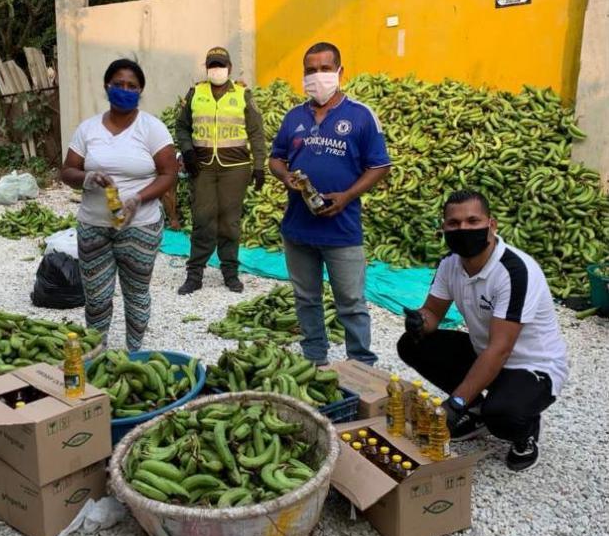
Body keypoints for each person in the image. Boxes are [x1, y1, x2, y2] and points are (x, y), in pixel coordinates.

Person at [398, 190, 567, 472]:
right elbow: (433, 313)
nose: (463, 229)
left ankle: (525, 431)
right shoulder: (450, 264)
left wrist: (455, 404)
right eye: (454, 223)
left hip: (532, 366)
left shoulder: (514, 271)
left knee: (502, 415)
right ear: (444, 228)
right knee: (412, 343)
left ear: (492, 224)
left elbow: (500, 349)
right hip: (486, 353)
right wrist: (419, 321)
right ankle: (476, 412)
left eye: (472, 221)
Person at [268, 42, 391, 366]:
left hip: (342, 229)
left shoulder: (361, 116)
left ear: (339, 72)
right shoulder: (294, 117)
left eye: (324, 69)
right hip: (298, 228)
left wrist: (348, 195)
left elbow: (380, 166)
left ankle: (361, 364)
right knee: (306, 298)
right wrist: (285, 178)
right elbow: (276, 158)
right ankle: (314, 358)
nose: (317, 76)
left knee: (351, 301)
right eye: (310, 70)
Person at [59, 59, 177, 351]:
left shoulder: (152, 129)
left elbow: (169, 174)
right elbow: (67, 171)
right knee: (97, 298)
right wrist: (87, 177)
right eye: (119, 85)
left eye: (132, 86)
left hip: (139, 226)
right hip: (94, 226)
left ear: (140, 91)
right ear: (106, 87)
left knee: (136, 294)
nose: (125, 90)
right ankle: (97, 353)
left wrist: (139, 197)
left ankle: (134, 351)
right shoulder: (88, 129)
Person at [175, 47, 266, 295]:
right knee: (202, 220)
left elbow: (256, 133)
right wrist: (187, 151)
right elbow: (182, 127)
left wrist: (259, 166)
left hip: (235, 169)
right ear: (206, 68)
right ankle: (194, 275)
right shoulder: (196, 93)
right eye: (213, 65)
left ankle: (230, 273)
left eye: (221, 65)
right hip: (202, 166)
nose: (217, 70)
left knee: (229, 222)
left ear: (230, 68)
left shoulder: (243, 94)